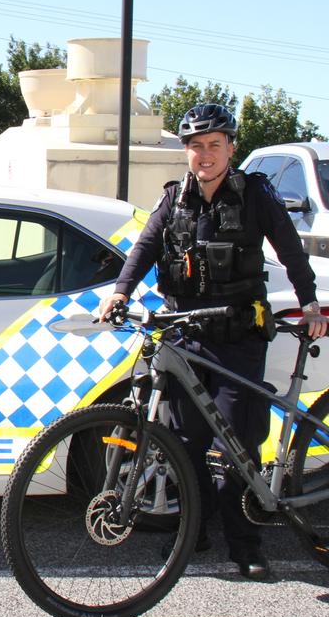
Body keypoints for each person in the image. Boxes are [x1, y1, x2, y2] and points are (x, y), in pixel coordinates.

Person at [98, 102, 328, 581]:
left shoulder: (254, 194)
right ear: (186, 151)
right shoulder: (174, 199)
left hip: (237, 336)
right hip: (185, 335)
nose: (205, 154)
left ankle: (245, 545)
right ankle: (194, 533)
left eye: (214, 145)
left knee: (238, 444)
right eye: (196, 146)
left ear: (231, 148)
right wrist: (120, 291)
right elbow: (144, 247)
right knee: (187, 442)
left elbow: (290, 249)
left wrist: (309, 303)